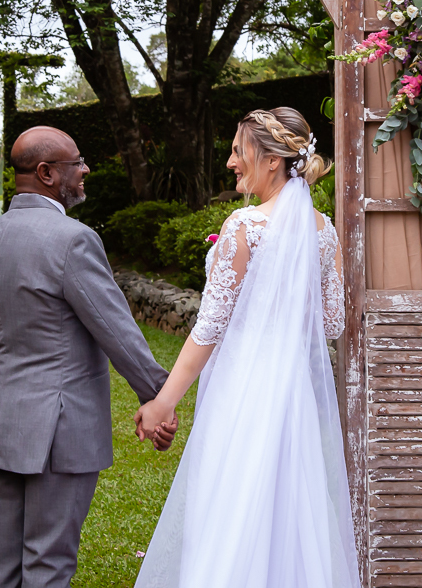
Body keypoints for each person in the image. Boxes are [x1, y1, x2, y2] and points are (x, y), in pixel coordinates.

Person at [133, 108, 358, 588]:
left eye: (239, 151)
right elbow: (333, 322)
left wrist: (163, 402)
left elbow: (209, 328)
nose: (232, 162)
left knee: (228, 510)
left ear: (272, 160)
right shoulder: (324, 232)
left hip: (241, 395)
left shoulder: (245, 226)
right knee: (289, 515)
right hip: (293, 397)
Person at [0, 125, 178, 588]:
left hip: (1, 423)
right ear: (45, 173)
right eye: (75, 162)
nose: (85, 169)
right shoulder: (72, 240)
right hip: (60, 432)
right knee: (49, 564)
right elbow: (116, 330)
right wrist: (159, 398)